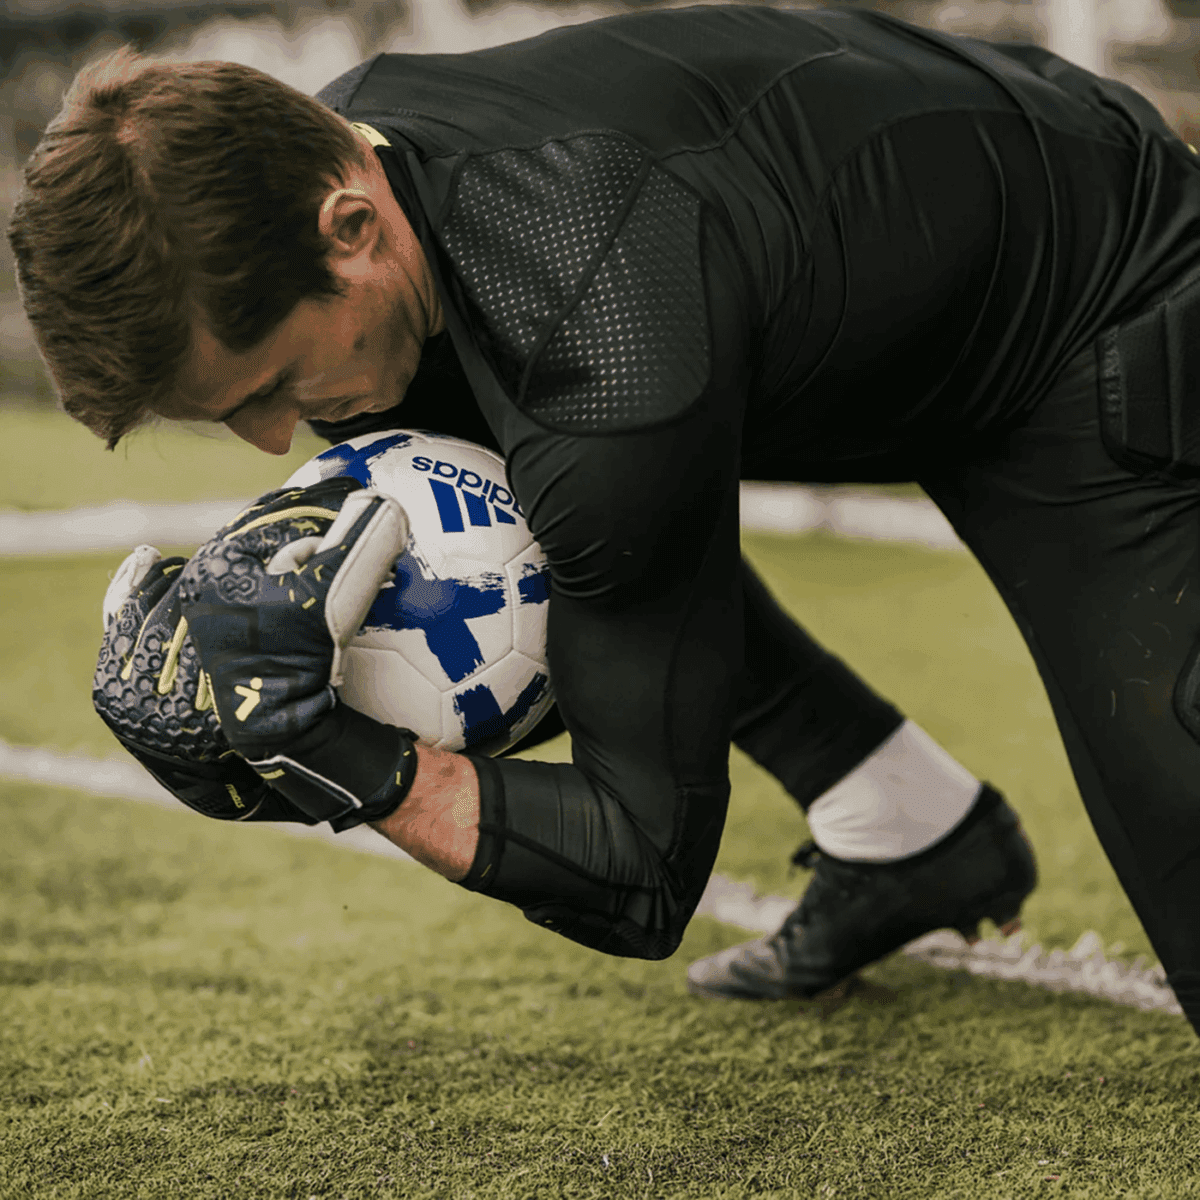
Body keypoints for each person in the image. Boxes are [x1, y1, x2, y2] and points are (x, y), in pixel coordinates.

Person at [11, 4, 1200, 1034]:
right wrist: (246, 733)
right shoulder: (318, 175)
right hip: (845, 307)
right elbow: (586, 595)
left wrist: (332, 757)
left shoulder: (595, 327)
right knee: (613, 540)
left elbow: (641, 870)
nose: (275, 443)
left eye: (270, 387)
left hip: (1089, 288)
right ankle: (908, 826)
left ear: (351, 227)